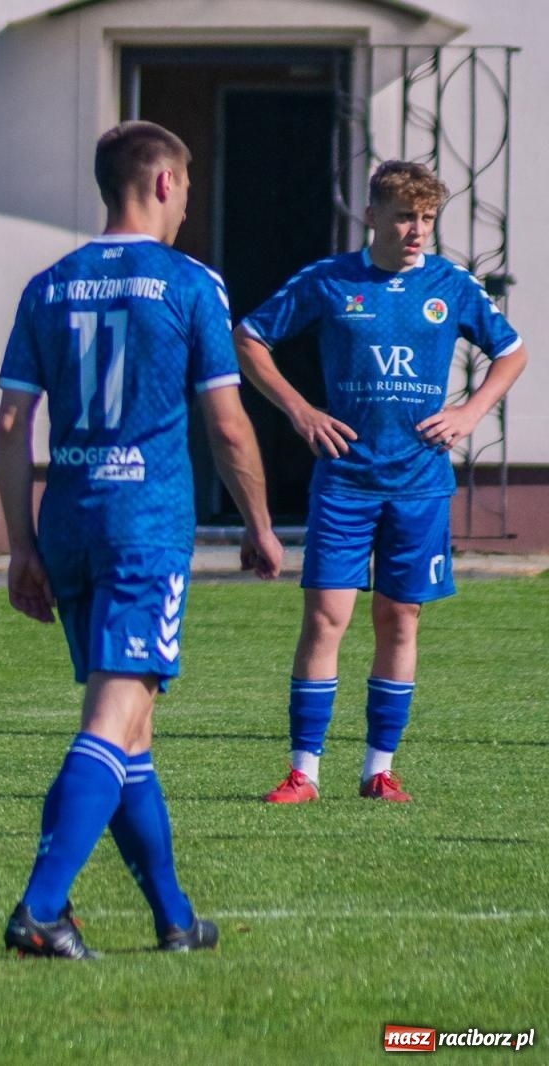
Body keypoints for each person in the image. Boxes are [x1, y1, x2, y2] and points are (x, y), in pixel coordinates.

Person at [0, 121, 283, 959]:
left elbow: (14, 422)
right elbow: (228, 428)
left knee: (132, 735)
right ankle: (42, 909)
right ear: (163, 184)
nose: (187, 203)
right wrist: (260, 525)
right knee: (111, 720)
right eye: (186, 188)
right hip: (144, 529)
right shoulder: (191, 284)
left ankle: (174, 917)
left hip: (71, 522)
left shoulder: (49, 285)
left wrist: (21, 543)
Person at [237, 161, 528, 805]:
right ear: (371, 216)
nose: (417, 229)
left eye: (427, 217)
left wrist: (470, 412)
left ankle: (378, 768)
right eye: (404, 215)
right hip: (345, 481)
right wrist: (299, 408)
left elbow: (511, 352)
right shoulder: (330, 280)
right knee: (326, 618)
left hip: (420, 484)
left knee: (400, 619)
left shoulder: (452, 286)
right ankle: (304, 772)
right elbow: (251, 338)